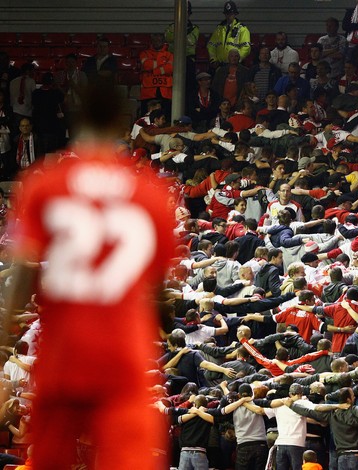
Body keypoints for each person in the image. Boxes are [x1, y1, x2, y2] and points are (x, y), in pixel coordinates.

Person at [5, 81, 176, 470]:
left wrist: (3, 337)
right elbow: (157, 287)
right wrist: (164, 323)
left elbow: (22, 272)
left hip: (64, 349)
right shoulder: (148, 192)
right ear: (121, 122)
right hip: (121, 352)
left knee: (46, 462)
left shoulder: (44, 183)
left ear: (75, 119)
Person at [207, 0, 251, 67]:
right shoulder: (219, 29)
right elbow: (211, 45)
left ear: (235, 14)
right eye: (227, 14)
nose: (229, 16)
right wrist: (213, 59)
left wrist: (237, 60)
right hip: (220, 64)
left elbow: (246, 48)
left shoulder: (242, 29)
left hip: (235, 65)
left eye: (231, 13)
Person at [139, 33, 174, 116]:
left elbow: (170, 68)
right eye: (154, 40)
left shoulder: (170, 55)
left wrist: (154, 70)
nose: (156, 42)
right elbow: (146, 65)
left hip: (165, 92)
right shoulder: (144, 53)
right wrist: (162, 64)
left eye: (159, 40)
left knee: (164, 118)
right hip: (148, 92)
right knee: (147, 118)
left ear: (163, 41)